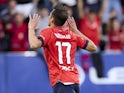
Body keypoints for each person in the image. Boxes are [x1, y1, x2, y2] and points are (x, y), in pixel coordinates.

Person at [28, 4, 96, 93]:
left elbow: (34, 44)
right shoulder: (72, 35)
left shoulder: (48, 33)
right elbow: (93, 47)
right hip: (73, 81)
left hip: (62, 82)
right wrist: (76, 31)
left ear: (52, 18)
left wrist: (31, 28)